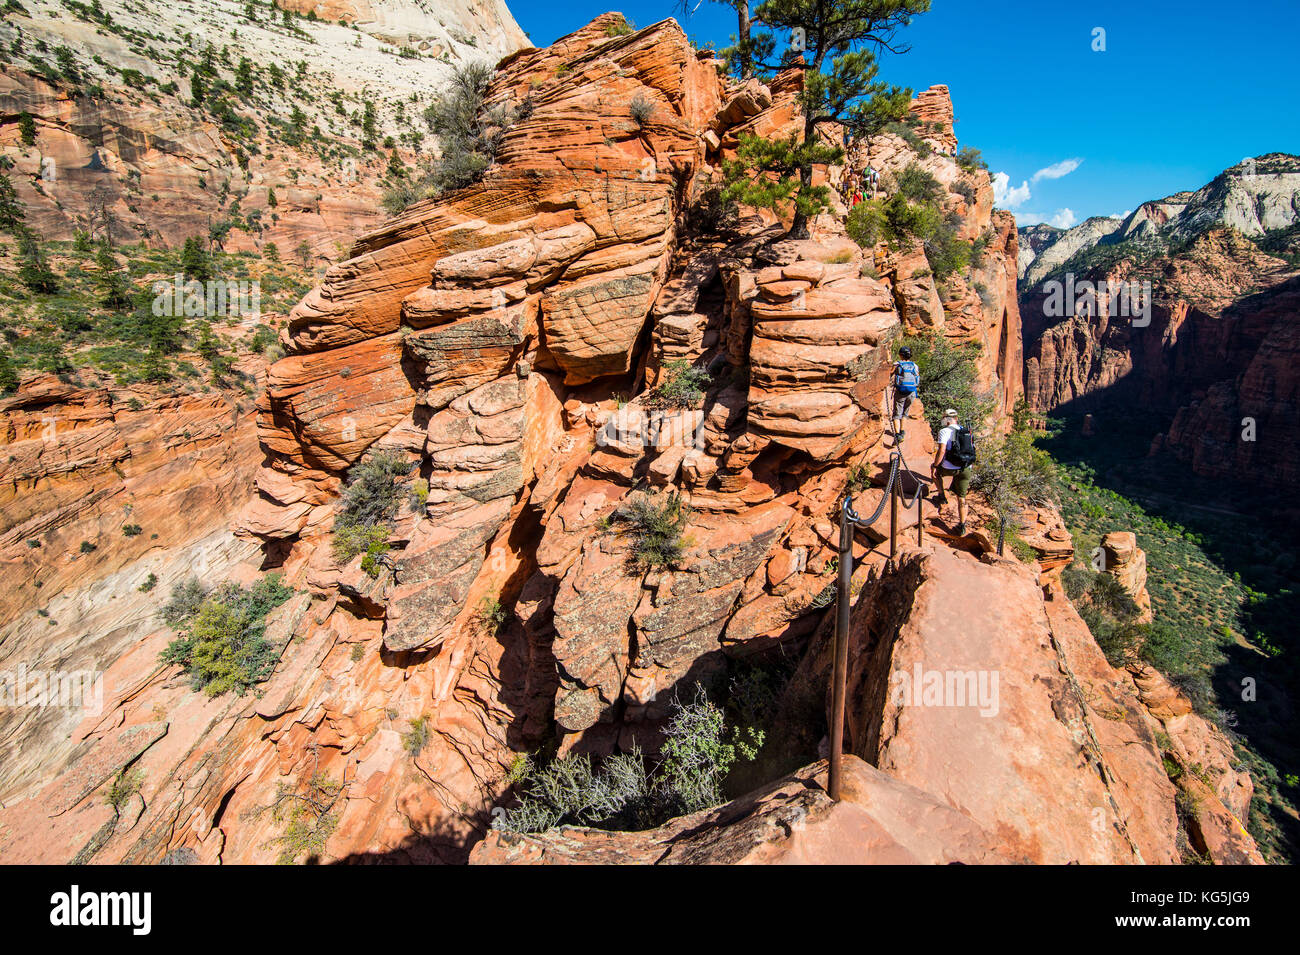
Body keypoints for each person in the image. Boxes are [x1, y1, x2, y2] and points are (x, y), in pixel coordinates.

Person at [931, 408, 975, 536]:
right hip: (966, 467)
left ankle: (942, 496)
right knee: (962, 498)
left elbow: (942, 451)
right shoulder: (965, 430)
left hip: (949, 467)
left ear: (946, 420)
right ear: (956, 419)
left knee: (935, 472)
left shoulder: (944, 431)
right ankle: (962, 526)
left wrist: (935, 465)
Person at [891, 346, 920, 438]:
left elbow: (890, 373)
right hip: (911, 392)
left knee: (896, 414)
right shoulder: (914, 365)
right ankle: (902, 431)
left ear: (901, 355)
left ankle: (898, 435)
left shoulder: (897, 364)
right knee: (905, 413)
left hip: (900, 391)